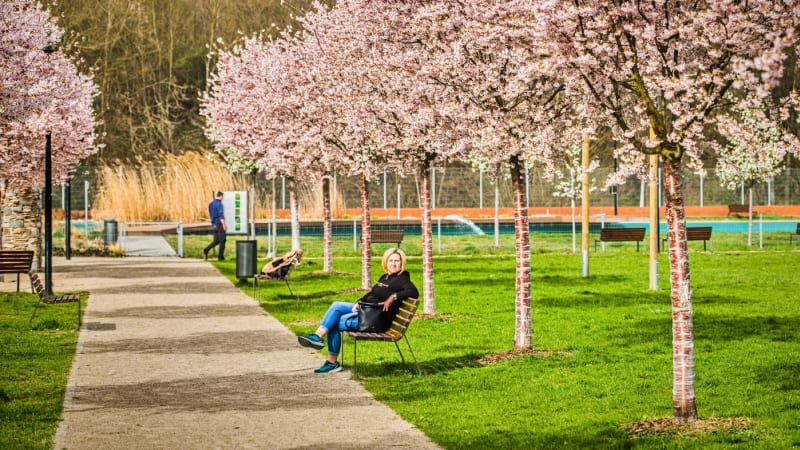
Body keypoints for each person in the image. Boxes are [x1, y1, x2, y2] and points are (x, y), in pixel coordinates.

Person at [297, 247, 418, 374]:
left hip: (374, 319)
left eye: (397, 261)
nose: (393, 264)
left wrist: (393, 297)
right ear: (385, 262)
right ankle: (317, 336)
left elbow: (413, 292)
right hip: (366, 310)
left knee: (334, 323)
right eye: (390, 260)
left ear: (402, 263)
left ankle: (332, 363)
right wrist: (359, 302)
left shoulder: (403, 278)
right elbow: (372, 294)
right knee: (336, 305)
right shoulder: (386, 277)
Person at [203, 191, 227, 261]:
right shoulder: (219, 204)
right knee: (223, 240)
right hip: (219, 224)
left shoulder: (211, 204)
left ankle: (206, 250)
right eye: (222, 197)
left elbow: (211, 214)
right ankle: (220, 257)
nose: (222, 198)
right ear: (220, 196)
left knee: (216, 241)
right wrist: (224, 225)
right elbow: (221, 215)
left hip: (214, 224)